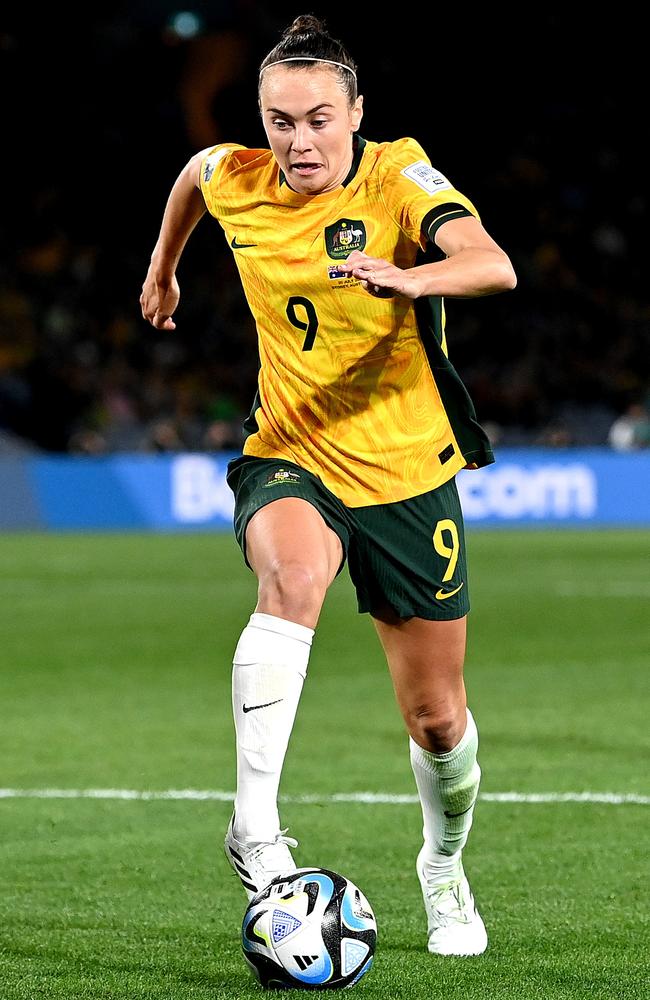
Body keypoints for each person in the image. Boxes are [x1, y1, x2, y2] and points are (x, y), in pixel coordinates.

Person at [140, 13, 517, 957]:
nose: (297, 141)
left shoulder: (400, 175)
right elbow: (194, 173)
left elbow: (492, 265)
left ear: (355, 114)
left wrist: (411, 278)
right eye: (278, 121)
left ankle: (443, 866)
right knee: (292, 581)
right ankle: (254, 829)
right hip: (292, 449)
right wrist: (164, 270)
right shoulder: (241, 176)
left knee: (438, 718)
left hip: (406, 470)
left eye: (316, 119)